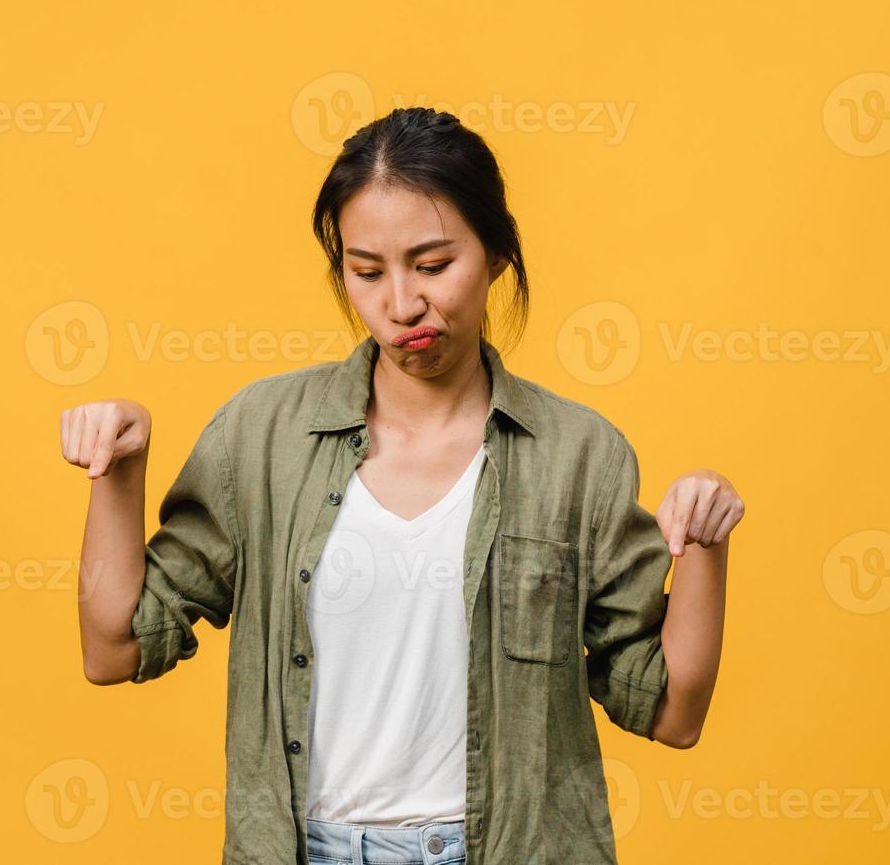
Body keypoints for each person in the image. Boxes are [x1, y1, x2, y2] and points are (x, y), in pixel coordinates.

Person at [59, 107, 745, 864]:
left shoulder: (578, 455)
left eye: (432, 264)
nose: (400, 304)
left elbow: (673, 712)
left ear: (495, 255)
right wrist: (119, 473)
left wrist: (706, 544)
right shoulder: (262, 436)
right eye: (367, 271)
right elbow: (114, 649)